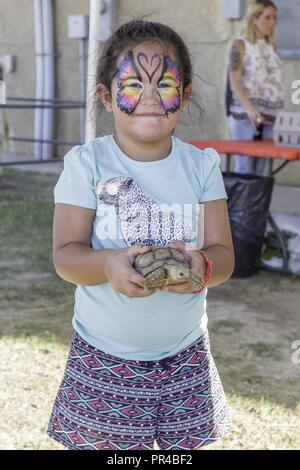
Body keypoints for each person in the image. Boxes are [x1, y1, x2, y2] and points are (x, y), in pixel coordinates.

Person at [47, 20, 234, 451]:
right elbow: (65, 256)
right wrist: (107, 265)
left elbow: (223, 256)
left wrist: (199, 267)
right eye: (134, 84)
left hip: (186, 356)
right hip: (104, 358)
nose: (150, 97)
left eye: (164, 84)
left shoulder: (202, 166)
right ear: (107, 97)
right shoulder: (87, 164)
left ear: (184, 96)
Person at [227, 0, 284, 175]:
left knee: (261, 172)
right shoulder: (240, 44)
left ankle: (256, 204)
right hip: (246, 116)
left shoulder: (270, 46)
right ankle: (240, 203)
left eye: (274, 17)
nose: (272, 22)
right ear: (253, 18)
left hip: (271, 117)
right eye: (267, 17)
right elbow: (234, 82)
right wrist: (251, 109)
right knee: (244, 168)